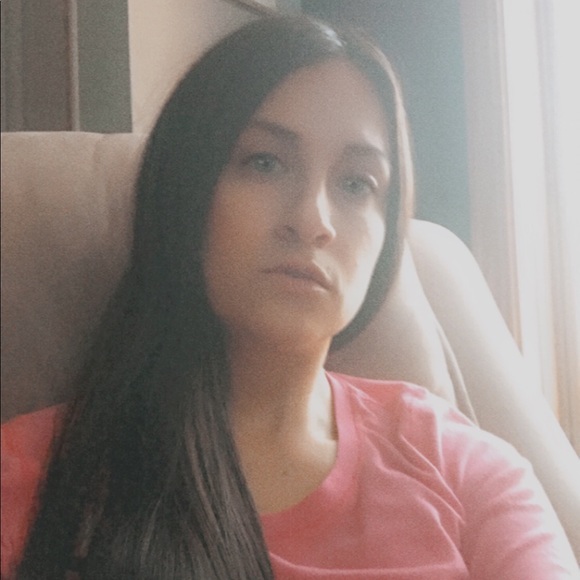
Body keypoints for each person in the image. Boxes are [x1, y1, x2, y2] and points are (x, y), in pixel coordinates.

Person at [1, 15, 577, 580]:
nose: (313, 220)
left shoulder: (466, 471)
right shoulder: (32, 479)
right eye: (264, 162)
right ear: (185, 189)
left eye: (356, 183)